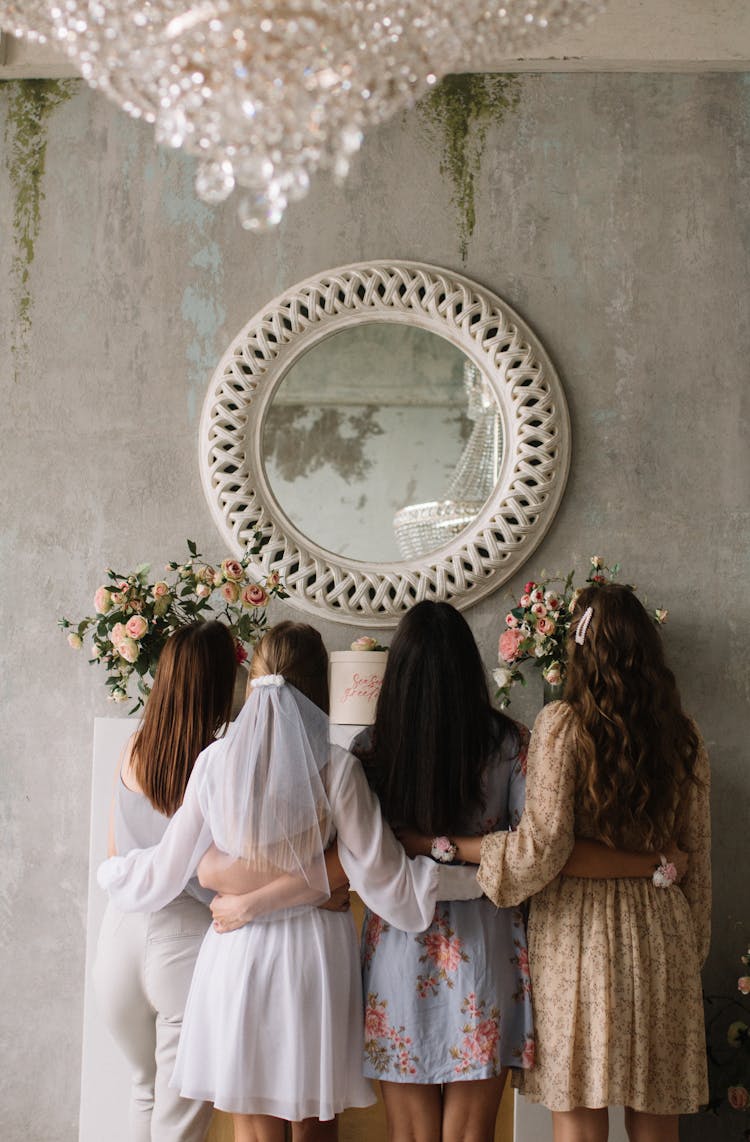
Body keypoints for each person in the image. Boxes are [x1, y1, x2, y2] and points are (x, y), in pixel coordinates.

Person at [97, 621, 482, 1142]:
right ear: (318, 689)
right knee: (313, 1124)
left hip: (235, 953)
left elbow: (167, 866)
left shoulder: (213, 763)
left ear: (253, 683)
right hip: (311, 957)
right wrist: (476, 882)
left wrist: (114, 871)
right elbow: (386, 879)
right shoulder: (338, 769)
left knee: (251, 1127)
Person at [404, 585, 710, 1142]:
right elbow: (698, 857)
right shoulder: (684, 735)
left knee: (579, 1119)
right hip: (664, 935)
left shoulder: (563, 726)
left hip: (580, 942)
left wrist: (448, 843)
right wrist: (688, 944)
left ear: (578, 648)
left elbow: (539, 853)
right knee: (657, 1119)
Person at [92, 619, 237, 1142]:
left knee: (142, 1089)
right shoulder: (219, 763)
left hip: (118, 937)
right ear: (220, 689)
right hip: (184, 943)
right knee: (179, 1125)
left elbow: (114, 851)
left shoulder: (133, 748)